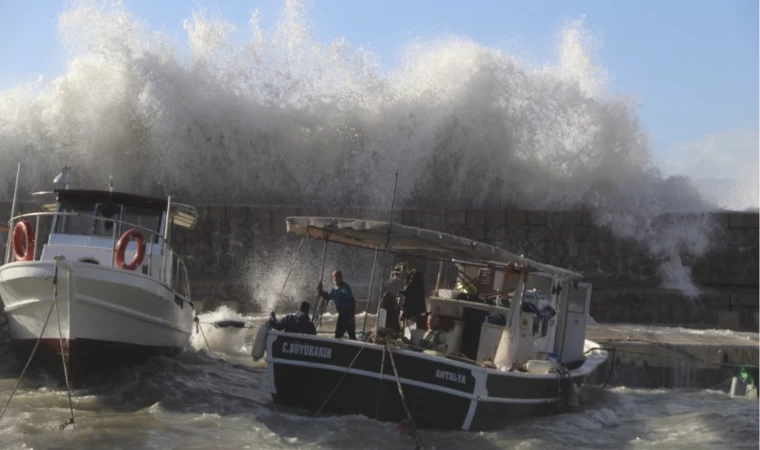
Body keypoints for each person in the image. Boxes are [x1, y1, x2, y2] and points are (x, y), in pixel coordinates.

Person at [318, 270, 356, 340]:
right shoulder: (334, 288)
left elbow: (352, 301)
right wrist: (321, 292)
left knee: (352, 335)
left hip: (348, 315)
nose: (337, 278)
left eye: (339, 277)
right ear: (333, 278)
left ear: (341, 277)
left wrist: (351, 316)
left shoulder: (345, 288)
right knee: (338, 335)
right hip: (341, 315)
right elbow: (328, 297)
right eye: (336, 277)